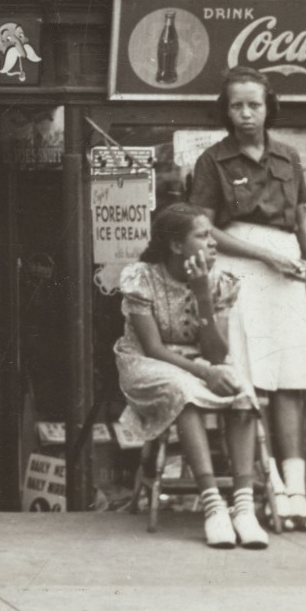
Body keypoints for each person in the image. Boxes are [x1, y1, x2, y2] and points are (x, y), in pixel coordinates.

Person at [188, 68, 306, 529]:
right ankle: (257, 489)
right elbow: (203, 229)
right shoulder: (213, 160)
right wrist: (266, 256)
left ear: (269, 107)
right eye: (237, 105)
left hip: (286, 272)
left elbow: (301, 221)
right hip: (242, 269)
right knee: (247, 381)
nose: (246, 113)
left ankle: (294, 492)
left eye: (254, 104)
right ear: (225, 110)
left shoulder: (288, 157)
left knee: (290, 380)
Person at [113, 202, 267, 550]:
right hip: (145, 363)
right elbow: (152, 348)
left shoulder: (217, 282)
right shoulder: (142, 278)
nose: (213, 243)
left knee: (241, 389)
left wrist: (202, 296)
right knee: (184, 391)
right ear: (176, 245)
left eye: (212, 235)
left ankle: (243, 507)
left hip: (200, 361)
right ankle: (213, 505)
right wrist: (207, 374)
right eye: (202, 236)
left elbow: (216, 353)